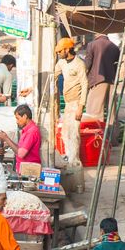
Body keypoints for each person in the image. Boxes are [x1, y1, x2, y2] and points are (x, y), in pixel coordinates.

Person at [54, 37, 88, 165]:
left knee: (73, 134)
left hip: (76, 103)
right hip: (67, 103)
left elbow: (85, 84)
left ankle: (74, 162)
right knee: (65, 133)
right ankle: (69, 158)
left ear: (67, 49)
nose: (58, 53)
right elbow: (53, 75)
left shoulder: (79, 64)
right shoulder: (61, 63)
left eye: (60, 51)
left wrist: (81, 106)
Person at [0, 104, 42, 174]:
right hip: (24, 169)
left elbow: (21, 153)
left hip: (29, 171)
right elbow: (20, 149)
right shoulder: (27, 130)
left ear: (25, 116)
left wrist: (6, 138)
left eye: (18, 118)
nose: (17, 121)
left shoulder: (31, 132)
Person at [84, 33, 121, 120]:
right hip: (112, 80)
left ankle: (98, 132)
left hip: (97, 80)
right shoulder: (115, 47)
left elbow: (87, 64)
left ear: (96, 34)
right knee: (112, 111)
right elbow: (117, 66)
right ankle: (113, 132)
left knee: (94, 112)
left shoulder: (92, 44)